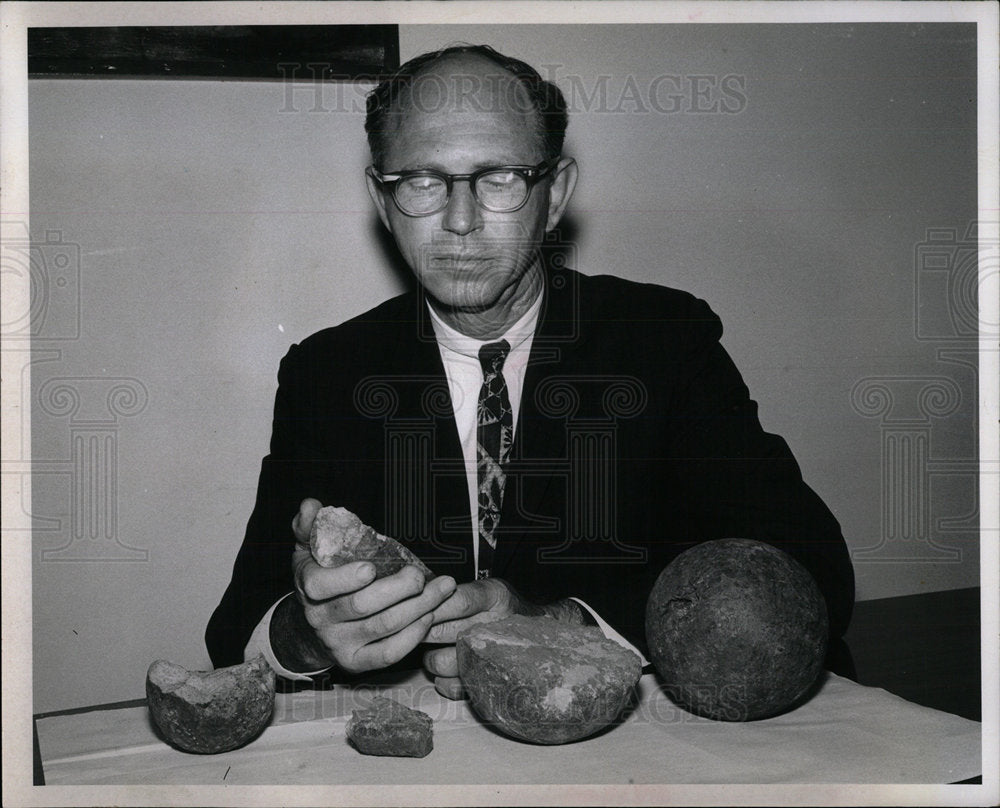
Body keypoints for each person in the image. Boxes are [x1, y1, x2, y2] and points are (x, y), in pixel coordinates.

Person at [206, 44, 855, 698]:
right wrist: (307, 630)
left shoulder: (661, 342)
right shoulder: (328, 373)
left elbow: (807, 569)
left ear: (554, 196)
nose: (460, 222)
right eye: (423, 182)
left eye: (500, 178)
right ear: (383, 201)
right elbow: (236, 625)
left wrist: (570, 625)